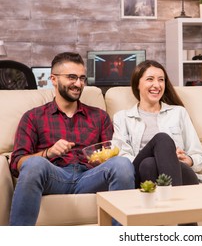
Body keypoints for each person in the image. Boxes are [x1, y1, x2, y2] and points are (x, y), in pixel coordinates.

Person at [9, 52, 135, 226]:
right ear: (54, 79)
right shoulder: (33, 117)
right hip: (54, 176)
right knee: (34, 164)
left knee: (122, 164)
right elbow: (17, 163)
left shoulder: (99, 116)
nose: (78, 84)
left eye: (82, 78)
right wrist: (49, 152)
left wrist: (102, 157)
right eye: (72, 77)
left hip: (90, 176)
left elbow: (110, 156)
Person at [113, 60, 202, 188]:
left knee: (149, 164)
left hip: (181, 173)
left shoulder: (178, 112)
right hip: (139, 174)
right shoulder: (122, 118)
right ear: (137, 84)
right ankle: (175, 204)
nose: (157, 85)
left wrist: (187, 159)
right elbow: (123, 158)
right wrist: (160, 155)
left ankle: (165, 204)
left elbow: (199, 157)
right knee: (159, 143)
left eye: (161, 80)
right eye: (150, 79)